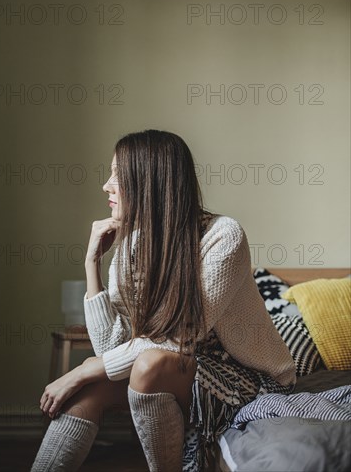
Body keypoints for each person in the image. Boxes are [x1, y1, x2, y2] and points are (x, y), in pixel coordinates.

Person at [31, 129, 296, 472]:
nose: (106, 186)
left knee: (146, 365)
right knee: (87, 392)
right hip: (177, 372)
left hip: (247, 379)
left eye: (117, 175)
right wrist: (91, 263)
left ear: (149, 182)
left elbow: (180, 337)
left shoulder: (223, 236)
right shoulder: (132, 245)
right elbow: (108, 349)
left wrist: (83, 370)